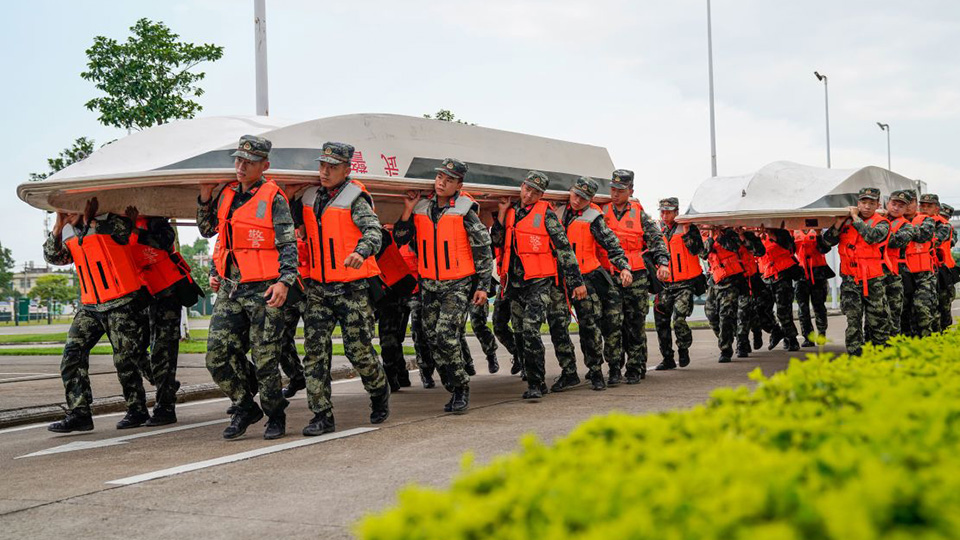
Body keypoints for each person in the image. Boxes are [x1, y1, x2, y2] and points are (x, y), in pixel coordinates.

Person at [198, 135, 297, 440]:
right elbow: (212, 233)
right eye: (238, 160)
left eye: (249, 162)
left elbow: (288, 244)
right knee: (216, 355)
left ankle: (275, 414)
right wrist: (204, 197)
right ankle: (244, 405)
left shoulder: (274, 197)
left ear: (264, 165)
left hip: (265, 289)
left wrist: (285, 281)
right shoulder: (227, 194)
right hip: (231, 289)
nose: (241, 166)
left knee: (266, 359)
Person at [293, 142, 390, 435]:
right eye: (322, 166)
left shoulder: (356, 199)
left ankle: (378, 391)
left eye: (332, 167)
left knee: (358, 351)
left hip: (352, 288)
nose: (324, 172)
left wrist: (361, 252)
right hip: (318, 289)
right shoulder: (308, 197)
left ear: (347, 169)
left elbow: (374, 232)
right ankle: (321, 414)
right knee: (314, 352)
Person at [394, 158, 493, 414]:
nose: (442, 182)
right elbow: (401, 237)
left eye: (449, 179)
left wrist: (482, 286)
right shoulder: (421, 208)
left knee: (446, 335)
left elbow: (483, 249)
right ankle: (452, 382)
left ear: (459, 184)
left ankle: (461, 387)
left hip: (457, 284)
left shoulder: (465, 210)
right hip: (429, 285)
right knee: (430, 339)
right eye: (440, 177)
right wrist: (408, 208)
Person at [44, 200, 151, 432]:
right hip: (91, 306)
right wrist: (58, 228)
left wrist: (90, 220)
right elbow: (55, 258)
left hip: (122, 301)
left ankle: (137, 409)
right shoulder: (69, 232)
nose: (66, 213)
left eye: (69, 208)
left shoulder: (108, 221)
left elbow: (124, 234)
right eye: (62, 210)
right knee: (72, 355)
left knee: (126, 359)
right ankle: (79, 413)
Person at [491, 171, 584, 400]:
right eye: (527, 188)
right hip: (514, 284)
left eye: (535, 192)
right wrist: (501, 214)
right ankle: (533, 376)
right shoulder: (511, 211)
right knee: (520, 333)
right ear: (522, 186)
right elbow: (497, 241)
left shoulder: (547, 215)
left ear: (541, 195)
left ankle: (536, 383)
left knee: (531, 331)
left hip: (539, 281)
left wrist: (576, 282)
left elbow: (564, 250)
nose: (528, 194)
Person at [553, 177, 632, 391]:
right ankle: (587, 371)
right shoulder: (556, 213)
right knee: (577, 327)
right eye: (575, 194)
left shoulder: (594, 218)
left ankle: (612, 368)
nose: (577, 200)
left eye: (583, 197)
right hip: (567, 280)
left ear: (591, 199)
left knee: (606, 324)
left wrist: (624, 267)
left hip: (593, 278)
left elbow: (612, 246)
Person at [129, 211, 204, 425]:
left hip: (167, 294)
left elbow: (164, 241)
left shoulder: (156, 221)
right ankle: (165, 384)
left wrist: (135, 229)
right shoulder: (118, 224)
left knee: (163, 352)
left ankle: (165, 408)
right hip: (142, 294)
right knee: (132, 349)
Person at [599, 170, 669, 383]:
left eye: (620, 190)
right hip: (611, 276)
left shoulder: (639, 214)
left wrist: (663, 263)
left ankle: (635, 367)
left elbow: (657, 240)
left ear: (630, 191)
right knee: (612, 324)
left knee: (635, 323)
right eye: (612, 189)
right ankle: (614, 367)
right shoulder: (601, 212)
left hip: (637, 276)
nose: (615, 193)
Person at [822, 187, 890, 355]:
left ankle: (879, 354)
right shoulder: (845, 222)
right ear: (858, 203)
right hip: (851, 280)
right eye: (863, 202)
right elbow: (827, 242)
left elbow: (871, 236)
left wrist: (854, 217)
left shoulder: (882, 223)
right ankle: (854, 355)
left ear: (877, 205)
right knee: (853, 321)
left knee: (877, 321)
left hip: (873, 280)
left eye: (871, 203)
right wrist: (838, 222)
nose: (867, 206)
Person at [653, 198, 704, 370]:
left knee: (679, 319)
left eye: (668, 211)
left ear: (676, 212)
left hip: (685, 284)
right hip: (664, 285)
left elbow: (697, 250)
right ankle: (667, 358)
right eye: (662, 211)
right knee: (661, 322)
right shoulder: (656, 229)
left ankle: (683, 348)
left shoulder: (687, 227)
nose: (664, 214)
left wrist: (689, 233)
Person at [701, 227, 747, 363]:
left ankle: (726, 349)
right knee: (710, 314)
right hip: (715, 280)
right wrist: (710, 236)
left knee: (726, 315)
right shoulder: (705, 236)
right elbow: (703, 254)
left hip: (731, 280)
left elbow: (733, 247)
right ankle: (728, 336)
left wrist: (719, 235)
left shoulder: (731, 234)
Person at [899, 191, 938, 337]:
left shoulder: (927, 220)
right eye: (905, 203)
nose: (908, 206)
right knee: (903, 311)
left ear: (917, 204)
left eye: (911, 202)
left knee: (923, 309)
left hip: (923, 275)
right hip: (901, 273)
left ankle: (925, 343)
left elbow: (923, 236)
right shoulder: (892, 221)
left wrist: (904, 229)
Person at [757, 227, 801, 351]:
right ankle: (776, 330)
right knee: (759, 309)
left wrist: (772, 235)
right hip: (766, 276)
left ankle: (791, 339)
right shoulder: (755, 236)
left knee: (783, 311)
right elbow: (755, 252)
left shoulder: (782, 233)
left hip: (783, 274)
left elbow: (790, 247)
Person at [881, 190, 917, 337]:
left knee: (896, 311)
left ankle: (895, 343)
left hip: (896, 273)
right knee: (876, 313)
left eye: (900, 206)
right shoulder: (876, 219)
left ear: (906, 209)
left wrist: (878, 228)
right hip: (875, 272)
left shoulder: (907, 226)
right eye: (893, 204)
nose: (896, 208)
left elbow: (895, 242)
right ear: (887, 203)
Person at [792, 228, 834, 346]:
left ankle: (821, 333)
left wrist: (819, 234)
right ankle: (808, 337)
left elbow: (824, 249)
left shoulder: (818, 231)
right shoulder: (794, 232)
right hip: (801, 273)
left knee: (819, 306)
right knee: (802, 308)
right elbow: (789, 250)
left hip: (818, 273)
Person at [734, 229, 770, 357]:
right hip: (729, 279)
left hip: (748, 278)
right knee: (733, 313)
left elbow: (760, 251)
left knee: (743, 311)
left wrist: (743, 237)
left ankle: (742, 343)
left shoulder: (748, 236)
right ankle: (754, 330)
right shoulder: (722, 235)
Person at [936, 203, 957, 330]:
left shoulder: (947, 228)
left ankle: (945, 329)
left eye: (946, 216)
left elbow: (951, 242)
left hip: (946, 269)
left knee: (945, 302)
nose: (944, 218)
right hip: (938, 267)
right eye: (942, 215)